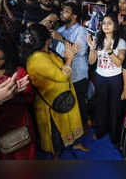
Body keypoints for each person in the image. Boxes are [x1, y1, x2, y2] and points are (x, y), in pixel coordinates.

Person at [22, 24, 88, 160]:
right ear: (47, 40)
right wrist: (70, 58)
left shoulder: (47, 52)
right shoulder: (37, 59)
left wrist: (68, 55)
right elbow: (62, 75)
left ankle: (74, 144)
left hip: (64, 97)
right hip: (51, 104)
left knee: (70, 123)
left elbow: (61, 66)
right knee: (55, 132)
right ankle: (55, 155)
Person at [0, 36, 36, 159]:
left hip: (18, 126)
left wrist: (14, 96)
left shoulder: (18, 73)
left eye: (1, 59)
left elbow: (30, 99)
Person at [87, 13, 126, 145]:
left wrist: (109, 50)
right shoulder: (97, 40)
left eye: (109, 23)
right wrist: (92, 49)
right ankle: (100, 131)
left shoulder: (121, 42)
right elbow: (91, 61)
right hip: (100, 77)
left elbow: (119, 63)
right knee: (101, 106)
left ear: (115, 25)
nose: (106, 25)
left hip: (115, 79)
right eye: (104, 23)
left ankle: (115, 135)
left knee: (115, 107)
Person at [53, 2, 89, 131]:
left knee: (79, 106)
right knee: (67, 106)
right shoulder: (60, 30)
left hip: (78, 75)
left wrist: (62, 39)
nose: (62, 13)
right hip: (63, 75)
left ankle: (82, 132)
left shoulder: (81, 30)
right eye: (62, 11)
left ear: (74, 16)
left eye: (66, 11)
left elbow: (80, 51)